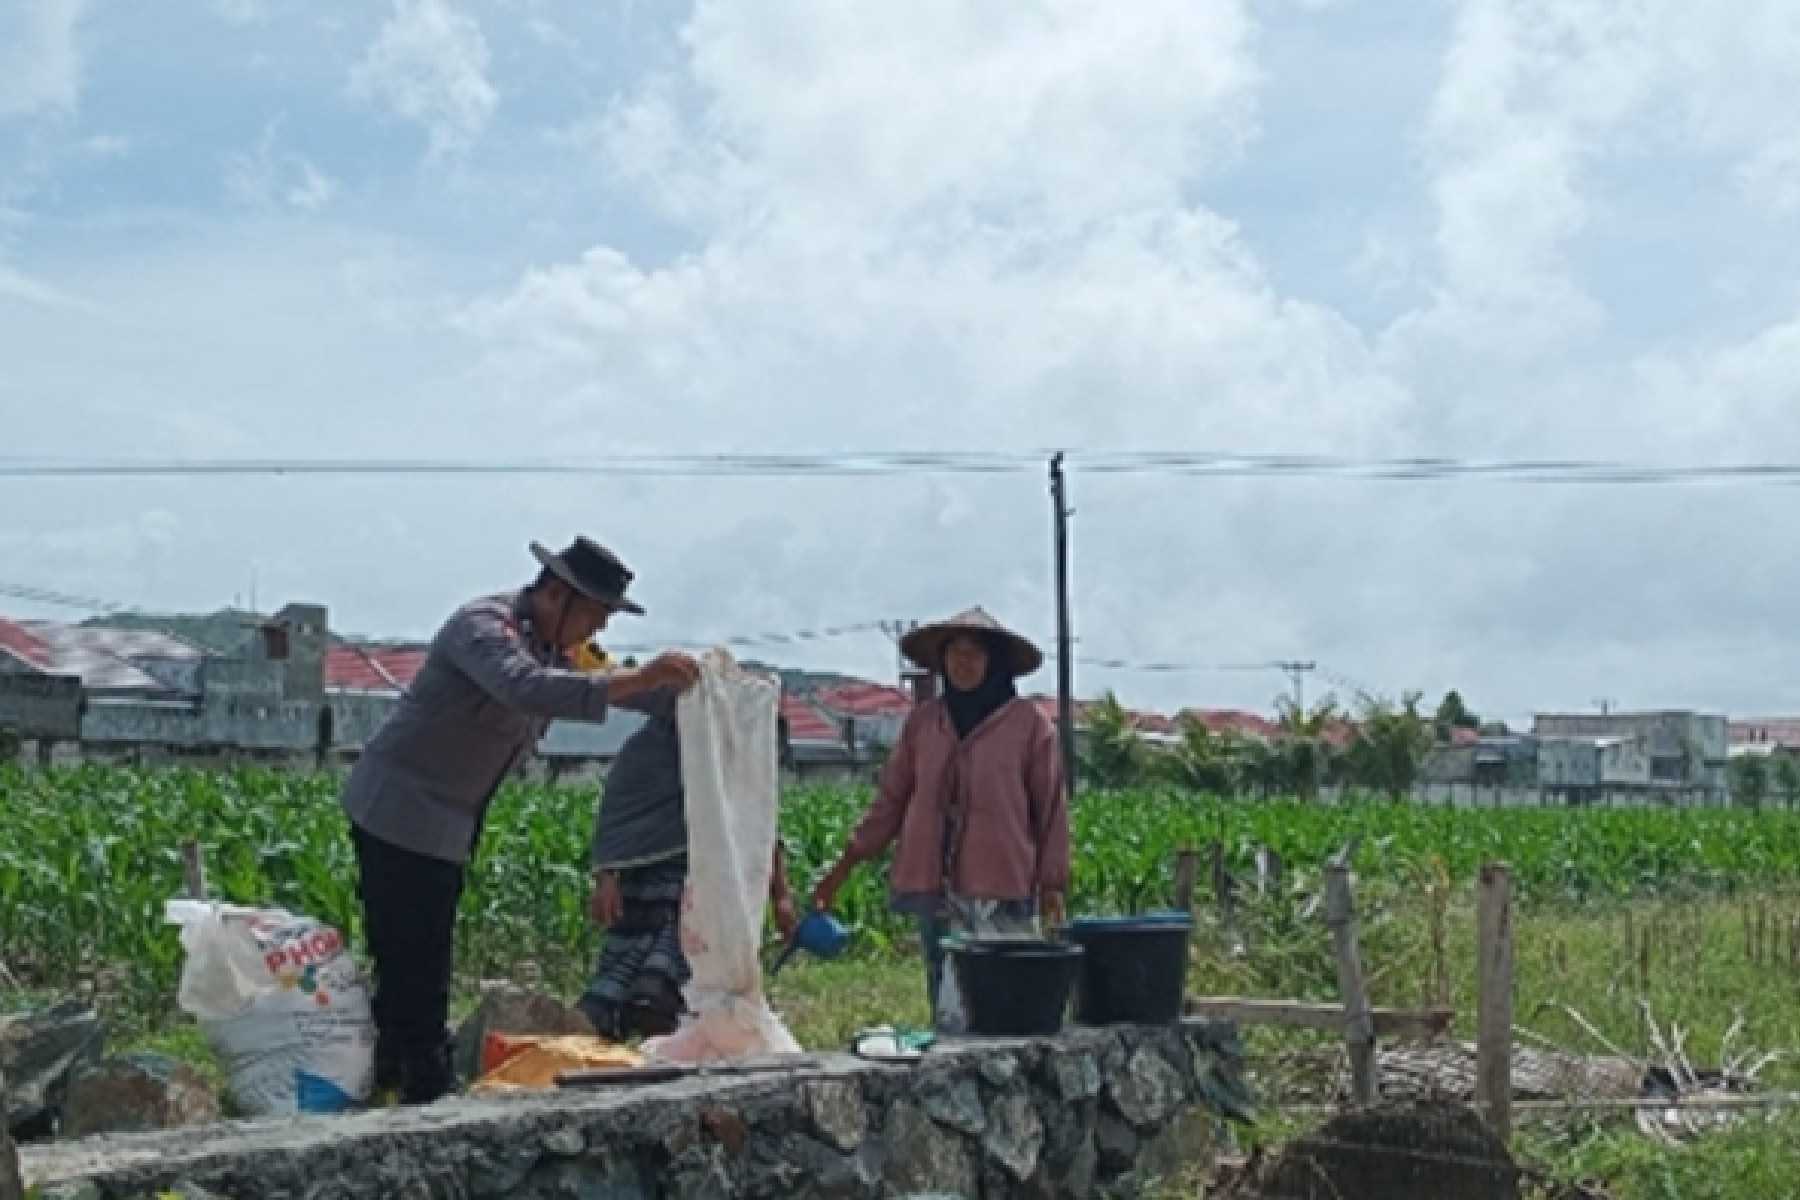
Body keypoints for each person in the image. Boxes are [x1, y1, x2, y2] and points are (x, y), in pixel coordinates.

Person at [340, 536, 700, 1104]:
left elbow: (616, 683)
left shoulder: (562, 648)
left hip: (450, 818)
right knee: (416, 948)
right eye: (594, 616)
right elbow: (525, 688)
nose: (596, 631)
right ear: (556, 594)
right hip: (400, 806)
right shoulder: (485, 627)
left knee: (415, 945)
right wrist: (643, 678)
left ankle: (394, 1065)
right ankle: (425, 1082)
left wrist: (696, 695)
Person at [811, 606, 1069, 1028]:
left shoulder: (1030, 726)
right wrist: (843, 867)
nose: (963, 663)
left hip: (1004, 884)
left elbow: (1051, 810)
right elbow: (891, 801)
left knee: (1003, 996)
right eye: (955, 653)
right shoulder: (924, 723)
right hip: (936, 886)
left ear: (994, 662)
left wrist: (1052, 885)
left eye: (974, 653)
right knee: (947, 996)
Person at [573, 652, 799, 1040]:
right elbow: (619, 813)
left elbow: (759, 824)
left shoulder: (736, 753)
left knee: (678, 979)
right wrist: (606, 875)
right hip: (647, 881)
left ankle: (677, 1044)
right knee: (626, 980)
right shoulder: (651, 751)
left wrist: (781, 895)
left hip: (708, 882)